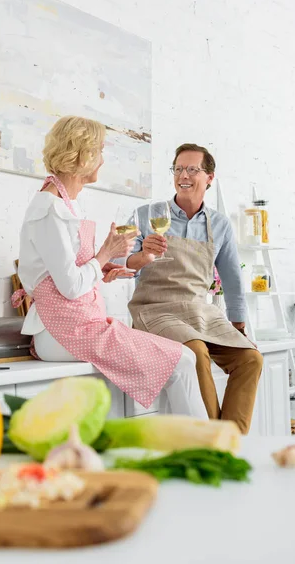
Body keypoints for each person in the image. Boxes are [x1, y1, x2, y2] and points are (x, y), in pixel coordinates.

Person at [13, 116, 208, 419]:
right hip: (64, 331)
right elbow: (70, 286)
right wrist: (106, 253)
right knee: (182, 360)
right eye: (100, 150)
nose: (102, 160)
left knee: (182, 359)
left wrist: (102, 272)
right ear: (83, 154)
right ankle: (203, 450)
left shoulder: (63, 205)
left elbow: (64, 274)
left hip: (76, 324)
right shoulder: (49, 209)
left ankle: (181, 445)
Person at [125, 143, 263, 434]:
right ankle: (213, 439)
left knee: (250, 358)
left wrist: (238, 322)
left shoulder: (220, 224)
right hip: (155, 310)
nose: (183, 175)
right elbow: (118, 265)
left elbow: (232, 278)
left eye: (191, 169)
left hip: (201, 312)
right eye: (178, 169)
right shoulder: (145, 215)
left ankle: (232, 439)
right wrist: (142, 256)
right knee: (196, 351)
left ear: (209, 177)